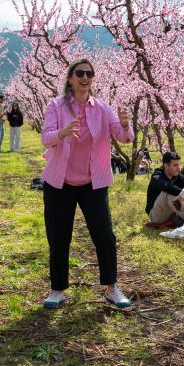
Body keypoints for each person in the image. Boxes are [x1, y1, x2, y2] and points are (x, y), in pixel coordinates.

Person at [40, 59, 134, 310]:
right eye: (80, 73)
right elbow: (45, 138)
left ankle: (111, 287)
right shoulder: (56, 106)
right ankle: (57, 289)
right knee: (59, 236)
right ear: (70, 78)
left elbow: (123, 137)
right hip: (59, 182)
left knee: (104, 235)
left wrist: (125, 124)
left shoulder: (102, 108)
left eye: (89, 74)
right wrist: (62, 133)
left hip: (94, 181)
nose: (85, 77)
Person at [145, 151, 184, 227]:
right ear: (166, 166)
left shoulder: (176, 176)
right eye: (175, 165)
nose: (178, 168)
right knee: (168, 192)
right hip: (156, 215)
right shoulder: (157, 177)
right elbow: (168, 187)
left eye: (179, 164)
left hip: (169, 212)